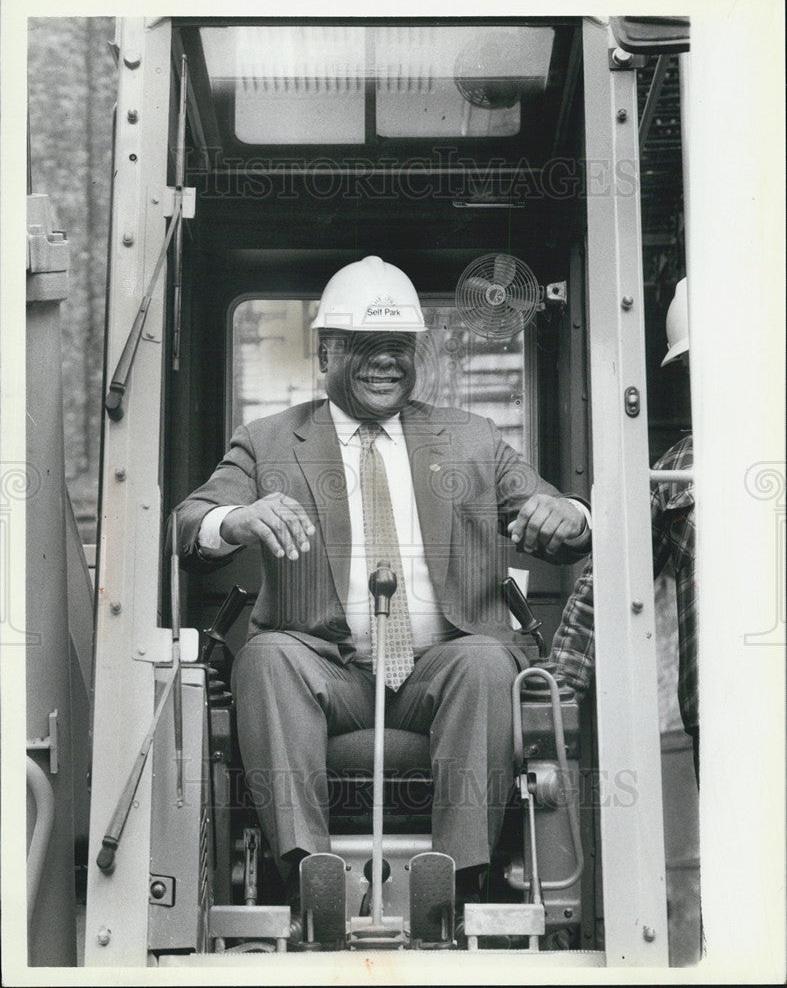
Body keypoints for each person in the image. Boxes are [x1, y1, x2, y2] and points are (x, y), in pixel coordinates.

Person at [172, 256, 592, 920]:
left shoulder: (472, 439)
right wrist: (236, 519)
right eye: (363, 346)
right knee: (266, 656)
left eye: (397, 346)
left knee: (486, 659)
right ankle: (309, 884)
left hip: (438, 674)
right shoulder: (267, 442)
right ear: (322, 352)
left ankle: (453, 892)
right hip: (325, 676)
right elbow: (188, 528)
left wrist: (570, 514)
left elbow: (562, 522)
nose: (383, 362)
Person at [550, 278, 698, 781]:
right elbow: (607, 584)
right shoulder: (679, 466)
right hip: (718, 709)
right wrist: (558, 690)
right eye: (692, 367)